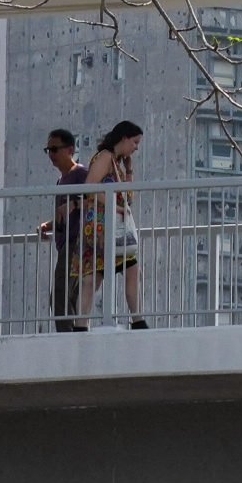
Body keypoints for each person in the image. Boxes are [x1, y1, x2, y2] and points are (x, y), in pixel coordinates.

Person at [35, 127, 97, 330]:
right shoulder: (62, 180)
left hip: (76, 243)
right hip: (67, 244)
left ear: (70, 149)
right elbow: (67, 213)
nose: (51, 155)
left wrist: (74, 205)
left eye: (55, 149)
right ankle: (74, 332)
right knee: (69, 294)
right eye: (48, 150)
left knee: (62, 294)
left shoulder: (81, 174)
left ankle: (67, 335)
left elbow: (94, 199)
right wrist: (50, 224)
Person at [90, 121, 151, 329]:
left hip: (113, 227)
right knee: (95, 276)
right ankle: (80, 322)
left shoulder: (116, 162)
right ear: (124, 138)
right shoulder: (105, 156)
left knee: (131, 268)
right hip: (102, 227)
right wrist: (113, 207)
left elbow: (128, 197)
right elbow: (89, 187)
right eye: (134, 142)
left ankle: (138, 318)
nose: (136, 147)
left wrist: (130, 170)